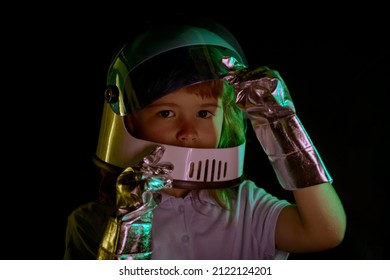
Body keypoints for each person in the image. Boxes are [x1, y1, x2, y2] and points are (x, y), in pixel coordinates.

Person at [64, 17, 346, 260]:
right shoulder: (91, 222)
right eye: (165, 113)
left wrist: (281, 124)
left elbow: (324, 232)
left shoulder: (245, 205)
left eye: (203, 113)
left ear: (227, 119)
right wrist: (128, 227)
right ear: (130, 121)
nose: (188, 132)